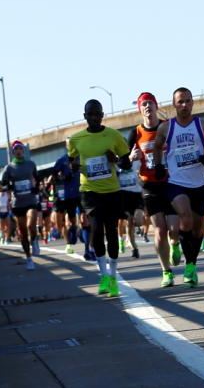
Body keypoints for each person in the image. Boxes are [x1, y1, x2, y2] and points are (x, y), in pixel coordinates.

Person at [69, 99, 130, 298]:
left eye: (97, 113)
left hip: (111, 190)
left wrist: (117, 159)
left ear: (102, 115)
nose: (94, 117)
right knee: (96, 228)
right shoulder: (76, 139)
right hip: (89, 190)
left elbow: (126, 162)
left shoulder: (113, 135)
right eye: (90, 114)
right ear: (85, 116)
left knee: (112, 231)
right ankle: (103, 274)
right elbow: (72, 162)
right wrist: (74, 166)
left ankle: (113, 275)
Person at [155, 87, 204, 288]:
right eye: (180, 102)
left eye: (188, 101)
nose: (184, 105)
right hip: (176, 183)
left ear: (192, 103)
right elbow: (156, 146)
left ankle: (191, 266)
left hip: (199, 183)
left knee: (198, 228)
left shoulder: (202, 125)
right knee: (186, 219)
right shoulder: (166, 127)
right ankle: (176, 244)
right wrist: (158, 166)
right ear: (174, 104)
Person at [130, 92, 180, 287]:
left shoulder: (167, 126)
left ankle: (175, 244)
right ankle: (166, 271)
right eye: (144, 104)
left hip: (171, 181)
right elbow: (125, 160)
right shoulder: (136, 133)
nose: (147, 107)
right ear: (140, 109)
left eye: (150, 103)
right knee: (159, 229)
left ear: (156, 106)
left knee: (174, 229)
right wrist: (131, 157)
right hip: (149, 185)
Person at [0, 141, 41, 270]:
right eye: (16, 149)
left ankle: (34, 240)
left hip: (30, 200)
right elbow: (2, 185)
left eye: (20, 149)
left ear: (23, 151)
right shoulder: (9, 167)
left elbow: (37, 178)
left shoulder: (31, 164)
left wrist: (36, 188)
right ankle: (29, 258)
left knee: (31, 225)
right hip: (18, 203)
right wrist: (7, 185)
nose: (18, 151)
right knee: (22, 232)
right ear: (13, 152)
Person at [51, 145, 83, 255]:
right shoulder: (62, 160)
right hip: (64, 194)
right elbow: (54, 175)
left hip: (78, 193)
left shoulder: (81, 157)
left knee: (74, 220)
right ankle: (68, 244)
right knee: (61, 223)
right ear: (66, 146)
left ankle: (75, 231)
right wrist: (63, 178)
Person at [116, 151, 145, 259]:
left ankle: (130, 242)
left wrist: (141, 174)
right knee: (128, 222)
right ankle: (134, 248)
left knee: (137, 221)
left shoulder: (136, 160)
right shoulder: (117, 163)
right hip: (123, 195)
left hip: (136, 194)